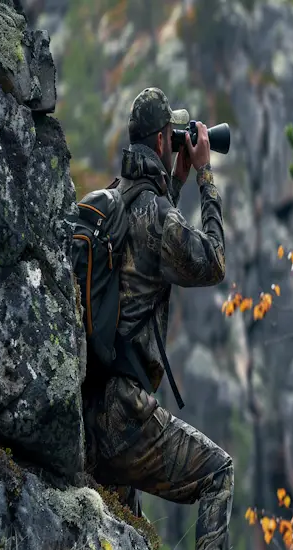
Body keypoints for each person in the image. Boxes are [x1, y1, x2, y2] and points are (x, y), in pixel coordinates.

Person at [82, 87, 234, 550]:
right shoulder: (158, 214)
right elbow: (212, 261)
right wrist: (206, 177)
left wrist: (178, 182)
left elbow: (150, 239)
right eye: (175, 135)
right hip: (125, 417)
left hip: (90, 407)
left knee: (132, 534)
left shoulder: (113, 197)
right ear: (166, 140)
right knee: (218, 473)